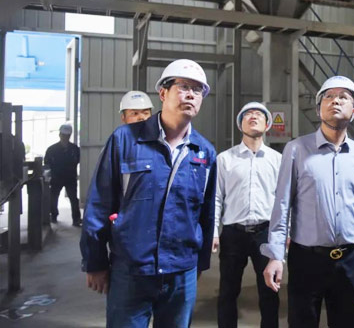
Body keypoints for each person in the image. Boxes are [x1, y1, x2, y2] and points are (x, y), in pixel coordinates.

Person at [80, 59, 217, 328]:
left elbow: (206, 213)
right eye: (184, 87)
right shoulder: (125, 140)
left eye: (198, 90)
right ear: (163, 93)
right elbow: (99, 203)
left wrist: (199, 264)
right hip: (132, 269)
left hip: (181, 271)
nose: (191, 94)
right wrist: (95, 261)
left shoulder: (204, 152)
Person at [261, 75, 354, 328]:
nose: (335, 101)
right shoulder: (296, 149)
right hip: (307, 259)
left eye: (343, 97)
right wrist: (275, 256)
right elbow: (282, 206)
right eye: (328, 96)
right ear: (318, 110)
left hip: (351, 258)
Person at [214, 102, 282, 328]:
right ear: (240, 124)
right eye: (248, 114)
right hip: (233, 234)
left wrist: (285, 233)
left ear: (267, 124)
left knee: (269, 291)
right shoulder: (225, 159)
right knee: (227, 291)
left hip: (265, 234)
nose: (253, 116)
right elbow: (216, 197)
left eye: (259, 114)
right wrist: (214, 231)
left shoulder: (277, 160)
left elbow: (283, 201)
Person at [45, 123, 81, 226]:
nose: (65, 137)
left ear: (70, 136)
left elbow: (77, 160)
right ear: (60, 135)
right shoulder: (52, 150)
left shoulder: (75, 149)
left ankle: (76, 219)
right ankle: (53, 215)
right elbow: (47, 163)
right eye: (63, 135)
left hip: (70, 177)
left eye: (67, 135)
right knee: (54, 197)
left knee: (73, 198)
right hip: (56, 177)